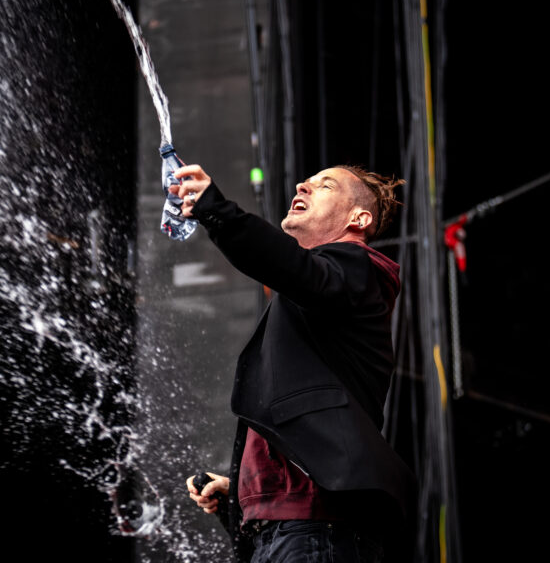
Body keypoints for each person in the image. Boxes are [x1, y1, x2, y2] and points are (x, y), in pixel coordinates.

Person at [174, 163, 415, 563]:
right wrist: (239, 491)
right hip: (287, 531)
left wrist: (214, 207)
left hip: (317, 531)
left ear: (358, 218)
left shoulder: (360, 270)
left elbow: (291, 266)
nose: (303, 184)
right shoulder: (318, 296)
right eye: (308, 180)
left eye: (325, 185)